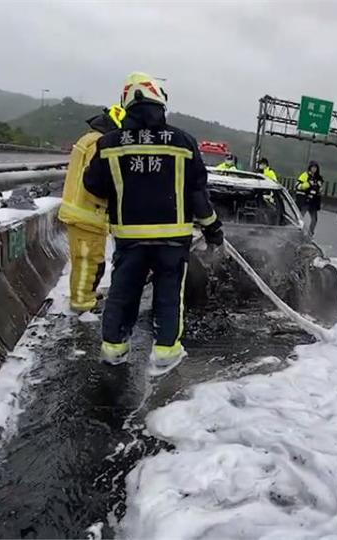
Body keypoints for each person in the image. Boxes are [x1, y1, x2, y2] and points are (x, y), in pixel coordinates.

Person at [83, 72, 223, 372]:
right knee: (169, 295)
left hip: (129, 239)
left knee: (123, 292)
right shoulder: (183, 142)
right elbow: (198, 195)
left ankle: (114, 349)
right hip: (173, 240)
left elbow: (92, 185)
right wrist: (213, 229)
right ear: (160, 100)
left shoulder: (109, 144)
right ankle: (165, 353)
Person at [58, 104, 125, 312]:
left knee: (84, 260)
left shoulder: (88, 139)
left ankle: (84, 295)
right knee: (89, 261)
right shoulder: (99, 143)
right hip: (87, 212)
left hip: (78, 209)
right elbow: (98, 178)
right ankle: (82, 303)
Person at [295, 160, 323, 235]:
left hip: (313, 201)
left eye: (315, 168)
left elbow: (319, 189)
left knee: (314, 219)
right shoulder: (305, 175)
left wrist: (319, 189)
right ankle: (297, 231)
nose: (314, 169)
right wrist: (307, 184)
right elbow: (297, 185)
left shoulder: (318, 178)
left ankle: (310, 234)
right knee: (300, 217)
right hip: (305, 200)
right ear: (310, 168)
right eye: (313, 167)